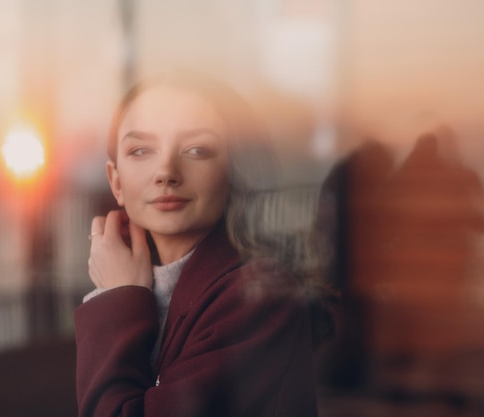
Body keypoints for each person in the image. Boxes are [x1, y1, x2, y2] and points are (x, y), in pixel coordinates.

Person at [75, 68, 334, 417]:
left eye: (197, 149)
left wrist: (119, 298)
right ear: (115, 181)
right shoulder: (134, 281)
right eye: (140, 151)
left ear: (235, 169)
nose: (166, 171)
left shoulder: (261, 297)